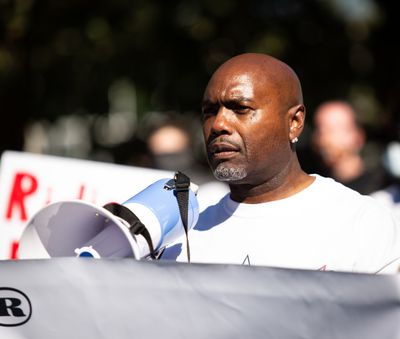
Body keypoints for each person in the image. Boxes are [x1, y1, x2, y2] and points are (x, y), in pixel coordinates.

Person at [161, 53, 400, 274]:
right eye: (209, 111)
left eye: (241, 108)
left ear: (294, 122)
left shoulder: (363, 224)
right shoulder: (183, 238)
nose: (218, 124)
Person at [308, 100, 386, 195]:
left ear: (358, 136)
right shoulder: (315, 190)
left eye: (333, 130)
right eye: (320, 130)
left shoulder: (381, 189)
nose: (324, 139)